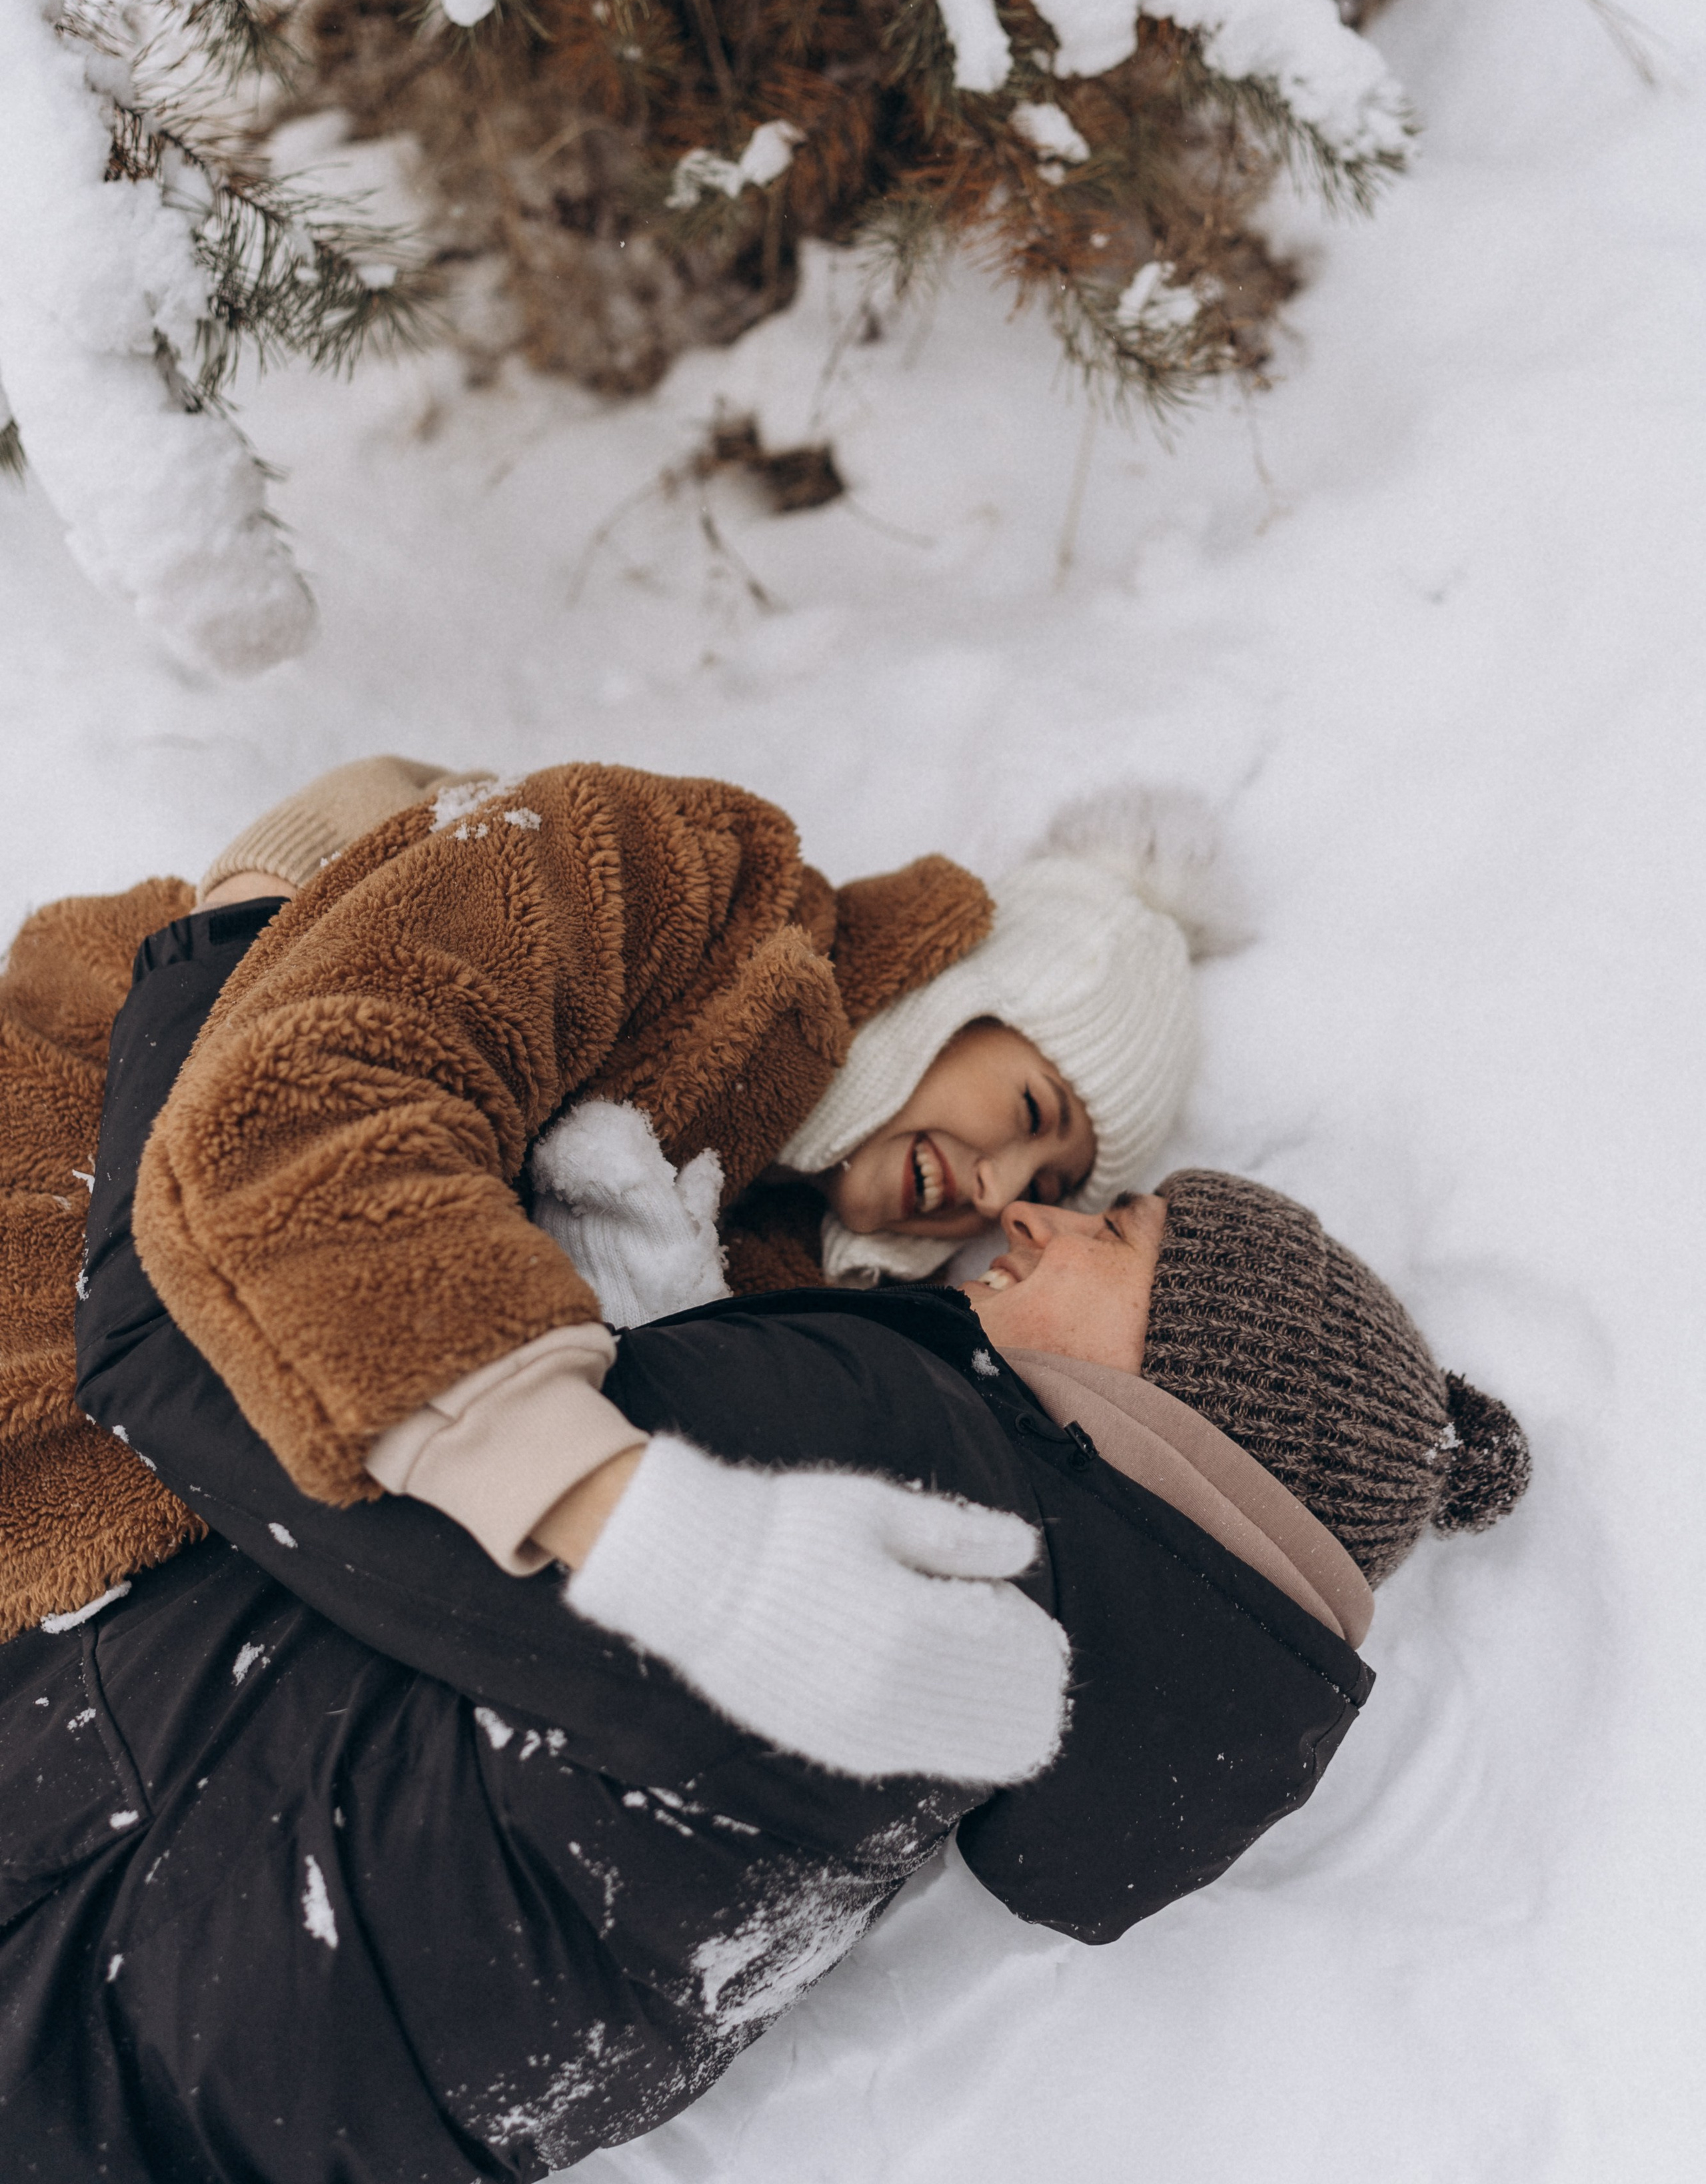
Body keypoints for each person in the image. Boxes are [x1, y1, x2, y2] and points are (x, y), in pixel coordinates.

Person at [0, 889, 1530, 2181]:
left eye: (1108, 1232)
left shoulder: (912, 1466)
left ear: (1198, 1402)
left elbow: (196, 1353)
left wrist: (224, 943)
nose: (1033, 1225)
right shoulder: (1008, 1686)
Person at [1, 754, 1238, 1638]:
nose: (1002, 1188)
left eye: (1057, 1186)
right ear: (960, 989)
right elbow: (337, 1081)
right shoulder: (694, 879)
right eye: (1028, 1113)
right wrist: (597, 1495)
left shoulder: (782, 1286)